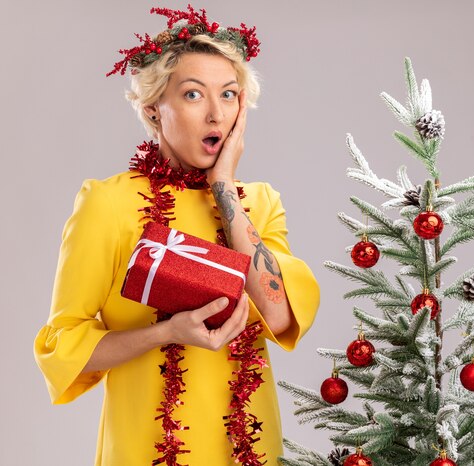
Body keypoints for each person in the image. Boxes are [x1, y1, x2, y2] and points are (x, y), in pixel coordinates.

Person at [33, 6, 320, 465]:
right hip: (145, 450)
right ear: (152, 108)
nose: (215, 114)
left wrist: (224, 189)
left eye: (229, 95)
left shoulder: (258, 204)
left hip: (247, 450)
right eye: (193, 94)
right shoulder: (107, 203)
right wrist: (165, 332)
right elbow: (63, 348)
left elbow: (280, 314)